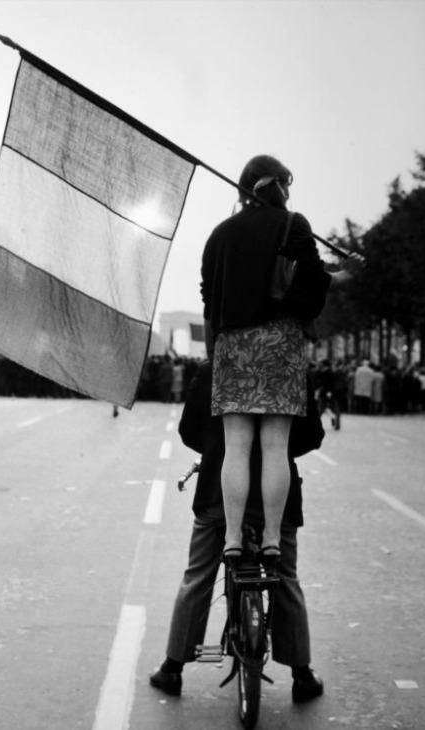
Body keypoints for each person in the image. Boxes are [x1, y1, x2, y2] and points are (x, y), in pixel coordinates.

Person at [200, 154, 361, 562]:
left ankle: (233, 539)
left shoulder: (220, 234)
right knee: (275, 447)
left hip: (234, 348)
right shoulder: (294, 225)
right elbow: (314, 279)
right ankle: (272, 539)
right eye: (288, 184)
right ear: (280, 186)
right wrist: (344, 273)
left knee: (236, 447)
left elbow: (209, 298)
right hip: (280, 346)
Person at [150, 361, 325, 702]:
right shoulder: (292, 366)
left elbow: (189, 431)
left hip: (219, 494)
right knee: (286, 578)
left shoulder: (215, 367)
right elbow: (311, 436)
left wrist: (218, 449)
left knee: (198, 576)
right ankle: (302, 673)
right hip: (278, 499)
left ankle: (172, 668)